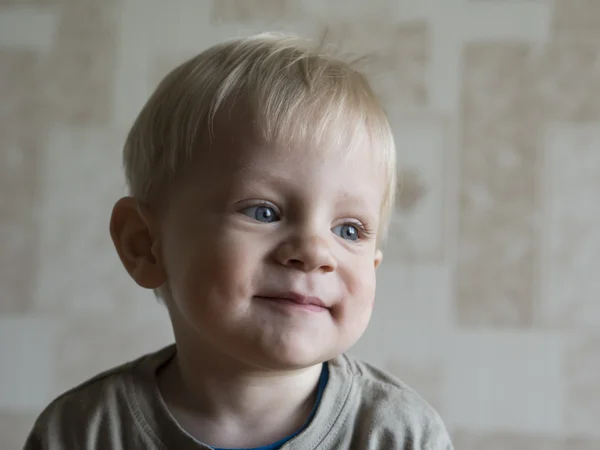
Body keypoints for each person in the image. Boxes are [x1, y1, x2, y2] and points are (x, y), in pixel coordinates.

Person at [24, 32, 453, 450]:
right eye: (263, 212)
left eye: (349, 230)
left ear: (374, 265)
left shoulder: (400, 436)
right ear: (145, 245)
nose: (314, 252)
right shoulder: (82, 432)